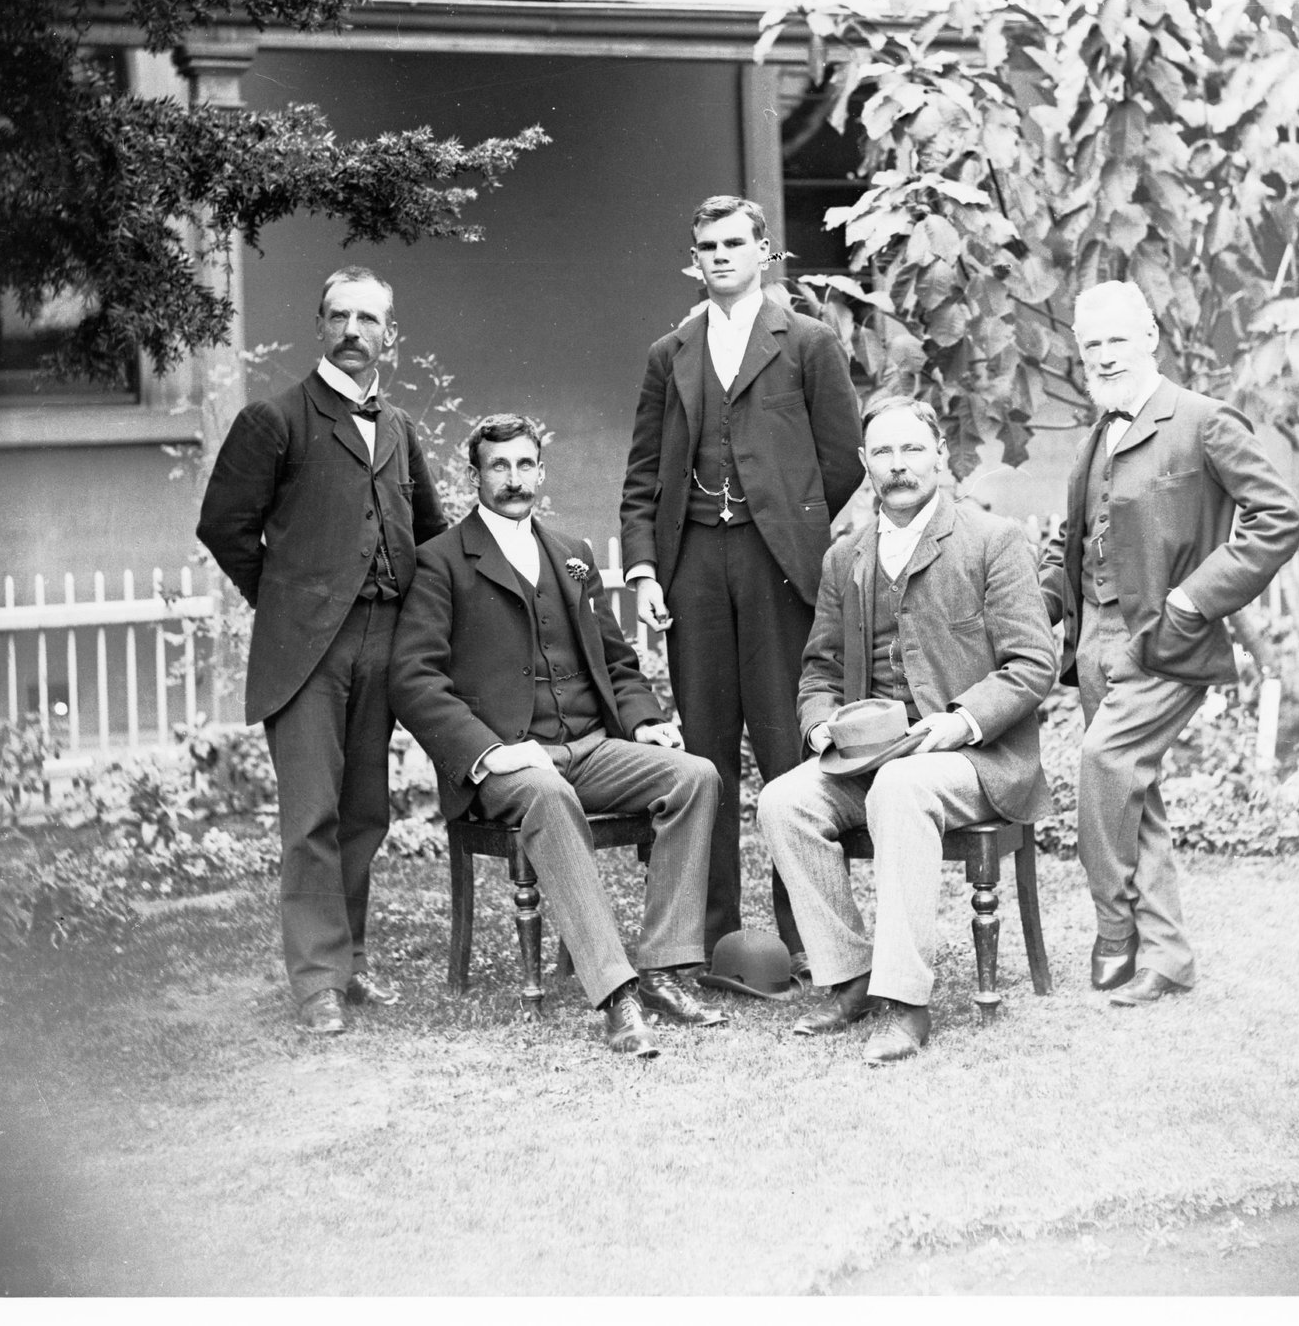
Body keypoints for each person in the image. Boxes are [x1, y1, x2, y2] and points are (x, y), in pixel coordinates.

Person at [390, 414, 728, 1058]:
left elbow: (616, 658)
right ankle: (616, 994)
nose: (513, 479)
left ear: (541, 473)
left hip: (589, 745)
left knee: (695, 776)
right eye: (499, 466)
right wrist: (486, 751)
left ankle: (660, 968)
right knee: (547, 795)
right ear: (474, 477)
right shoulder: (440, 562)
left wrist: (647, 721)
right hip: (509, 759)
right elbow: (413, 679)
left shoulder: (571, 552)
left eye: (525, 465)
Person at [756, 396, 1057, 1063]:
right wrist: (821, 727)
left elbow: (1034, 663)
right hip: (877, 752)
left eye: (912, 449)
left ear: (939, 455)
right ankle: (850, 973)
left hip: (977, 757)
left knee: (899, 788)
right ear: (865, 465)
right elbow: (820, 670)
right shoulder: (847, 558)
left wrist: (962, 720)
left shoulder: (991, 540)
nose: (899, 466)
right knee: (784, 801)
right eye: (884, 453)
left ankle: (905, 1002)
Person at [197, 265, 447, 1034]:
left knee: (364, 810)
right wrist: (288, 601)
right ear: (320, 326)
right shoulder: (275, 421)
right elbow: (225, 527)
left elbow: (432, 537)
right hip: (307, 651)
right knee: (311, 817)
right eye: (339, 316)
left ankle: (353, 962)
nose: (353, 332)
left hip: (384, 641)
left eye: (369, 320)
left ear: (390, 337)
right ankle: (316, 983)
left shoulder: (400, 430)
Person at [1040, 281, 1299, 1006]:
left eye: (1116, 340)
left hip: (1162, 639)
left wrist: (1194, 598)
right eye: (1090, 345)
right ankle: (1168, 956)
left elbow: (1277, 518)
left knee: (1103, 763)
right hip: (1094, 640)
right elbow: (1073, 536)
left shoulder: (1202, 421)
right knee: (1134, 796)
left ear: (1150, 339)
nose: (1103, 356)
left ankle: (1114, 930)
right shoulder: (1097, 434)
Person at [618, 195, 864, 969]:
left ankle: (807, 938)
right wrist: (645, 569)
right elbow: (642, 477)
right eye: (706, 246)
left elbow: (843, 457)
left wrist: (786, 517)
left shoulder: (809, 342)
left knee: (790, 746)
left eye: (734, 242)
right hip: (692, 562)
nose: (720, 255)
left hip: (777, 566)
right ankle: (714, 937)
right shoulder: (672, 351)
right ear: (694, 259)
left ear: (765, 251)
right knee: (707, 749)